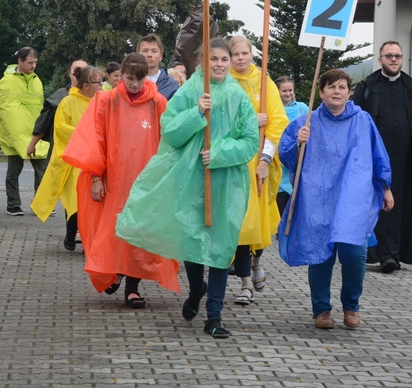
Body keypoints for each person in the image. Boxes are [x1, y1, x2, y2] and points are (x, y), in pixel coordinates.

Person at [116, 38, 259, 338]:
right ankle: (196, 291)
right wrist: (196, 113)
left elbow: (249, 142)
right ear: (203, 62)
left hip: (227, 183)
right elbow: (169, 130)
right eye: (214, 59)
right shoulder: (190, 90)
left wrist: (219, 153)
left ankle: (214, 316)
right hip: (191, 179)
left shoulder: (239, 96)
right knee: (194, 240)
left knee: (221, 247)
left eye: (225, 59)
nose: (219, 64)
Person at [61, 53, 179, 307]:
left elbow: (168, 142)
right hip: (113, 181)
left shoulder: (158, 103)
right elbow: (96, 138)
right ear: (120, 76)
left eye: (139, 79)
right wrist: (95, 176)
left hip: (145, 183)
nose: (134, 84)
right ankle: (114, 272)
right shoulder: (107, 100)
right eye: (128, 78)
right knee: (114, 231)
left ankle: (132, 287)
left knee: (138, 233)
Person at [279, 69, 393, 330]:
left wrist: (385, 188)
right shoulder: (307, 122)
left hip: (353, 198)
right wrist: (298, 143)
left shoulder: (363, 121)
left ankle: (351, 305)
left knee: (354, 253)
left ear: (349, 92)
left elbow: (378, 156)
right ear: (321, 92)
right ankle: (321, 309)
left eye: (342, 87)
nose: (337, 91)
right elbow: (286, 158)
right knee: (320, 254)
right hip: (317, 198)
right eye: (331, 87)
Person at [352, 41, 412, 273]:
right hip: (372, 160)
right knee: (376, 205)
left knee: (401, 207)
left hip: (405, 161)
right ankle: (376, 253)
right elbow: (353, 120)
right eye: (388, 56)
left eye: (397, 56)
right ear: (380, 59)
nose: (393, 59)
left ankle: (394, 254)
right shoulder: (366, 86)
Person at [228, 36, 289, 305]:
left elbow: (277, 121)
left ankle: (256, 261)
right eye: (234, 54)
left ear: (252, 54)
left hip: (258, 161)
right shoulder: (223, 82)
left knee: (261, 218)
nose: (240, 58)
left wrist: (265, 160)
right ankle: (243, 283)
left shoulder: (265, 82)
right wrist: (252, 120)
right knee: (242, 221)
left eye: (244, 53)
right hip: (233, 160)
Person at [31, 65, 103, 250]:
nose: (101, 85)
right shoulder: (68, 102)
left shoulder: (101, 101)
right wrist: (86, 134)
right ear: (85, 85)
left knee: (94, 202)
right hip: (74, 161)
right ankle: (71, 235)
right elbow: (61, 128)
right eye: (97, 82)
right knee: (75, 201)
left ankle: (90, 240)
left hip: (95, 158)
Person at [0, 47, 50, 216]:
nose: (33, 66)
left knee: (42, 171)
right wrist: (8, 132)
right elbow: (2, 110)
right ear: (20, 61)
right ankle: (13, 204)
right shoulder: (7, 82)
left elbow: (39, 107)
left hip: (34, 134)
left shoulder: (36, 81)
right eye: (30, 62)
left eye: (35, 63)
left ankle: (40, 204)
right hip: (16, 135)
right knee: (14, 170)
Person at [27, 59, 87, 165]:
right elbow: (43, 122)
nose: (79, 73)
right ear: (70, 73)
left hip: (87, 152)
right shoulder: (60, 96)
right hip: (62, 151)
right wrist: (32, 144)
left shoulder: (96, 97)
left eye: (83, 70)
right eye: (76, 69)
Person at [274, 76, 308, 215]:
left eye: (290, 90)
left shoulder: (302, 108)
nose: (288, 94)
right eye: (284, 91)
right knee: (280, 200)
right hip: (278, 158)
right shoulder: (274, 109)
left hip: (298, 158)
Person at [137, 33, 178, 100]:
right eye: (145, 51)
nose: (149, 55)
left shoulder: (171, 85)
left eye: (154, 51)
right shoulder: (127, 82)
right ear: (137, 55)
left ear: (160, 56)